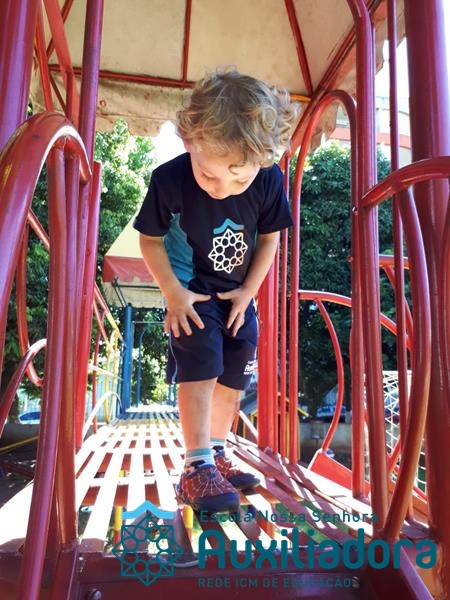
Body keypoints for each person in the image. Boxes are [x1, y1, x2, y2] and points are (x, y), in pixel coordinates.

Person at [134, 68, 298, 514]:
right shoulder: (169, 180)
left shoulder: (268, 179)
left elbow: (270, 238)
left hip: (237, 294)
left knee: (234, 371)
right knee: (202, 364)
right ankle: (195, 465)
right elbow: (149, 240)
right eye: (208, 176)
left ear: (262, 161)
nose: (223, 189)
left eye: (239, 180)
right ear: (190, 142)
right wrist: (172, 293)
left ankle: (217, 453)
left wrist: (249, 291)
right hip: (190, 292)